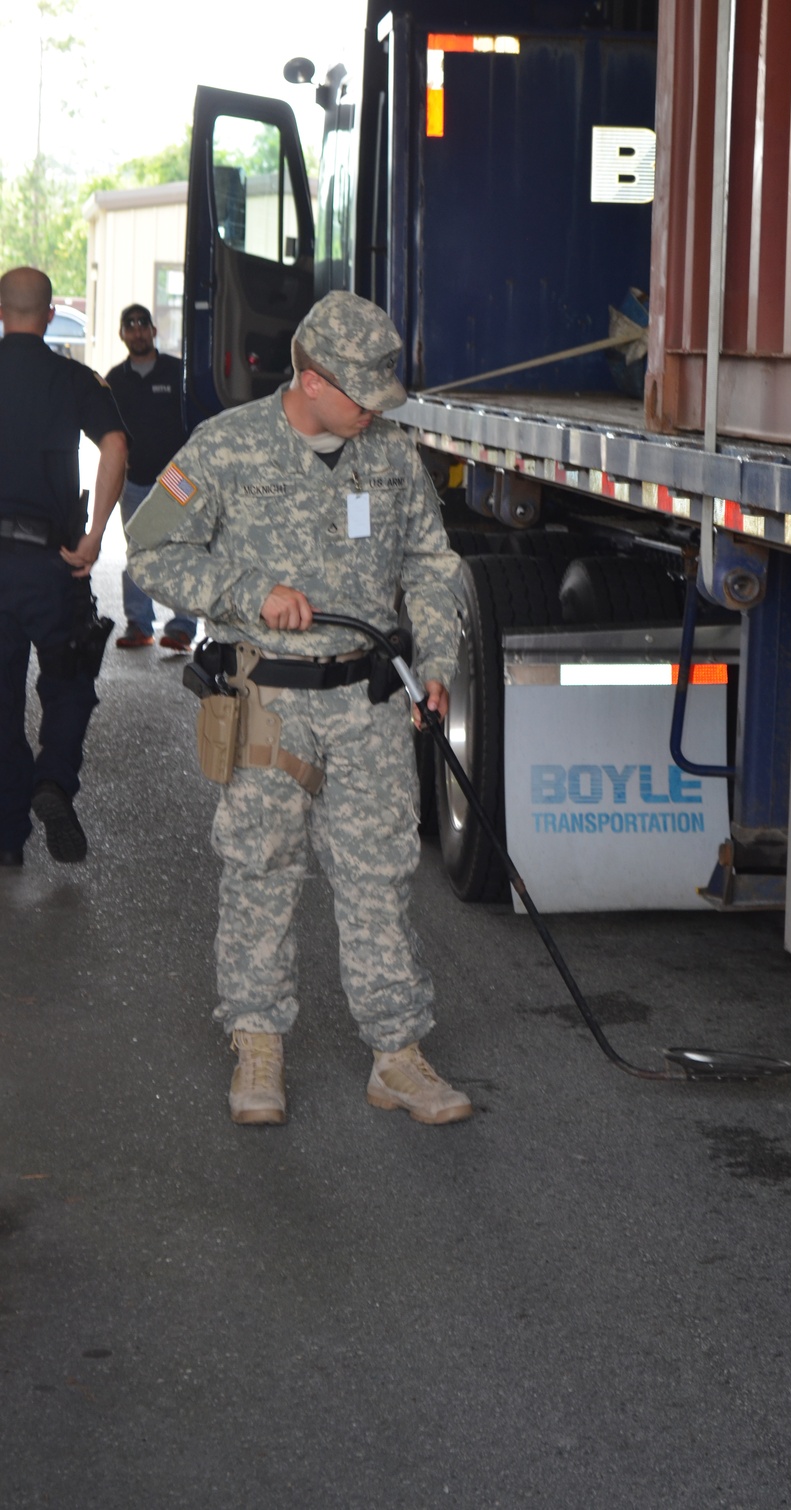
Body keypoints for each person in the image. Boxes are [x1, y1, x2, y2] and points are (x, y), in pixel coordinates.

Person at [126, 291, 471, 1128]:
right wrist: (245, 592)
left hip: (369, 700)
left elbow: (431, 560)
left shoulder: (387, 456)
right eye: (361, 395)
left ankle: (396, 1055)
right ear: (311, 380)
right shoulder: (225, 446)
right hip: (268, 705)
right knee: (260, 870)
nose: (374, 411)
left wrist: (436, 659)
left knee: (381, 876)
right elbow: (147, 547)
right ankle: (258, 1047)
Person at [0, 265, 127, 867]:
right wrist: (95, 536)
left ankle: (5, 839)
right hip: (51, 561)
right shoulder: (74, 378)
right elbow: (116, 447)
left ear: (1, 311)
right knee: (70, 677)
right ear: (49, 314)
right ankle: (53, 779)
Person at [105, 303, 197, 651]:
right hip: (136, 479)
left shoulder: (178, 372)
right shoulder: (115, 378)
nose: (138, 331)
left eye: (143, 324)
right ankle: (139, 625)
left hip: (176, 479)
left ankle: (183, 627)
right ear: (122, 334)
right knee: (138, 551)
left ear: (154, 331)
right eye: (130, 326)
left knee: (180, 551)